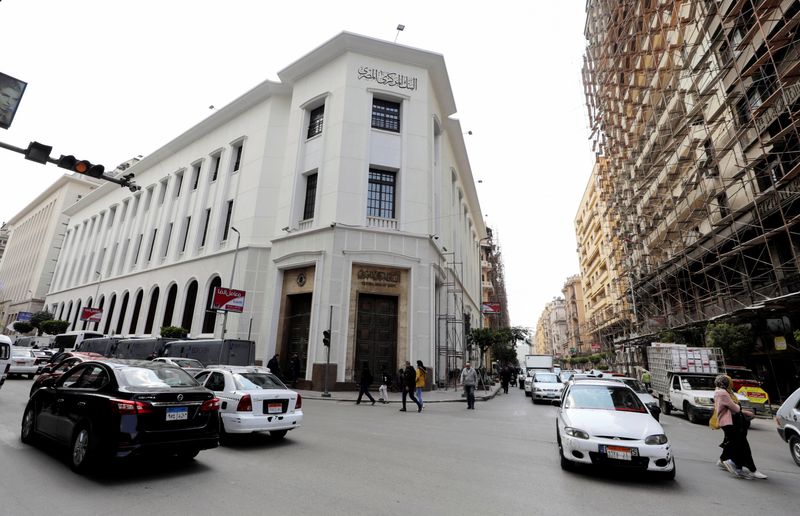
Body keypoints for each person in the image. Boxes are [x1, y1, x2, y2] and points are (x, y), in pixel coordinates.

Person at [713, 374, 766, 479]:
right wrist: (738, 407)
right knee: (742, 445)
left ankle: (728, 462)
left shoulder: (720, 392)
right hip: (730, 422)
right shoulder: (723, 393)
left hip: (731, 422)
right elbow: (735, 408)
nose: (731, 384)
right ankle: (739, 466)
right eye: (729, 382)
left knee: (733, 444)